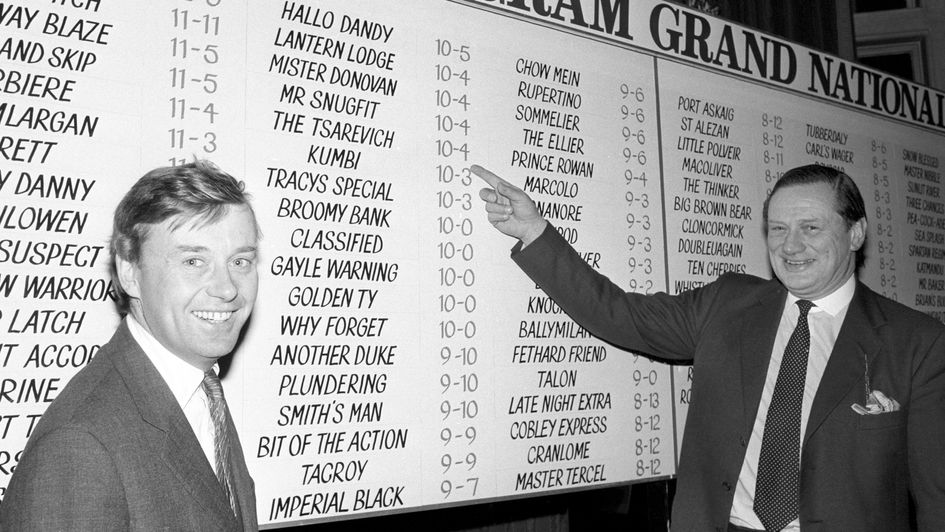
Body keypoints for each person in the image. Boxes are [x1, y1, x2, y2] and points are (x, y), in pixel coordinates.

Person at [473, 163, 945, 531]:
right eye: (777, 229)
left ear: (856, 233)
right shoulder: (729, 304)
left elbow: (936, 496)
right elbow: (618, 314)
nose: (790, 245)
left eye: (811, 227)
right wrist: (535, 232)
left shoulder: (916, 342)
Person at [1, 160, 260, 531]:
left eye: (241, 261)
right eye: (193, 261)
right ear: (129, 273)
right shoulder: (80, 446)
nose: (227, 288)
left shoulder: (199, 388)